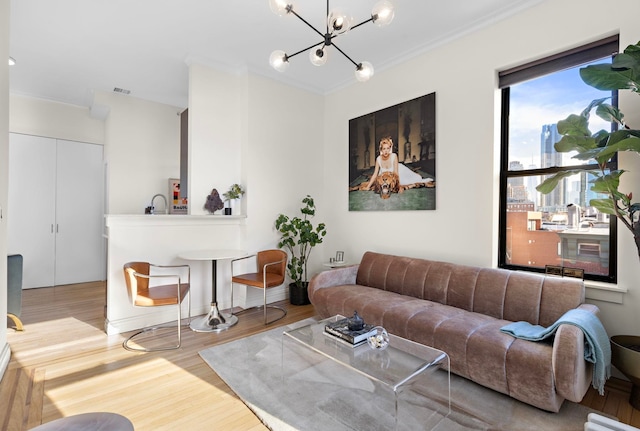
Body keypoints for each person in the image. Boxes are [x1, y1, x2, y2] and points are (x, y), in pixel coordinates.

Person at [364, 136, 432, 190]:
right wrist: (368, 187)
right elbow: (375, 174)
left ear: (390, 148)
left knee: (417, 178)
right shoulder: (378, 159)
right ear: (381, 149)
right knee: (380, 184)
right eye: (384, 149)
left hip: (399, 171)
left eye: (388, 148)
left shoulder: (394, 156)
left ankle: (416, 175)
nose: (386, 151)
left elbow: (396, 174)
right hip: (385, 177)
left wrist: (395, 184)